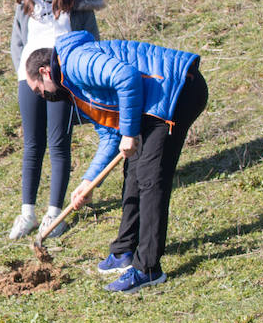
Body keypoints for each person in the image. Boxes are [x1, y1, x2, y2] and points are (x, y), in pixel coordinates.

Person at [23, 31, 207, 294]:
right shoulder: (73, 86)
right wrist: (87, 183)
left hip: (176, 89)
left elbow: (127, 77)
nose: (42, 96)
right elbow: (110, 134)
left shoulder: (74, 61)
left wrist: (131, 133)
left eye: (38, 90)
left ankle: (148, 269)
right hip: (151, 102)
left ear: (44, 72)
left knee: (150, 178)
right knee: (132, 172)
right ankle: (124, 250)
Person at [7, 0, 105, 241]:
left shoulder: (77, 2)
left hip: (64, 79)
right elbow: (17, 41)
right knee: (32, 145)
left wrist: (76, 78)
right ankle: (27, 213)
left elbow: (91, 40)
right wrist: (24, 74)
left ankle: (54, 212)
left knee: (58, 142)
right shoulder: (25, 1)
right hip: (30, 79)